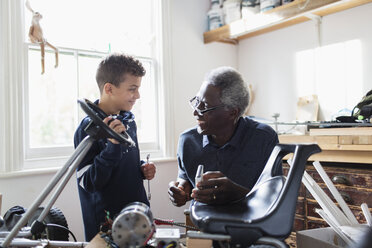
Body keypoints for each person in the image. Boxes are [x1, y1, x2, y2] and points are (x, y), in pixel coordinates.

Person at [168, 66, 279, 207]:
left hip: (248, 225)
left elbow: (274, 196)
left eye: (205, 106)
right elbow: (185, 179)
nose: (196, 113)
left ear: (232, 112)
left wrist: (237, 194)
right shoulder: (187, 141)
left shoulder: (264, 138)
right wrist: (181, 190)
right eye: (197, 102)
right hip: (203, 223)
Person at [74, 53, 156, 241]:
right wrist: (113, 146)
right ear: (109, 88)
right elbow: (88, 181)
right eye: (132, 89)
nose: (138, 95)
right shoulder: (88, 129)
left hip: (137, 216)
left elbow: (123, 161)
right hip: (107, 226)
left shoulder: (127, 121)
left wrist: (141, 168)